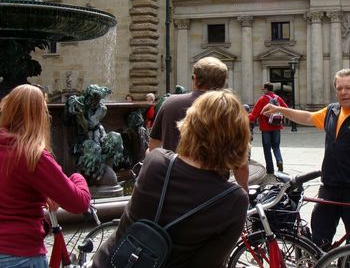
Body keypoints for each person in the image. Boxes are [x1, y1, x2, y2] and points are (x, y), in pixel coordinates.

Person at [93, 90, 250, 268]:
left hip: (109, 262)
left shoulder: (155, 161)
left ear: (189, 125)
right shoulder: (234, 200)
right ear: (239, 139)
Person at [261, 68, 350, 249]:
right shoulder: (333, 111)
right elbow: (308, 116)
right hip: (329, 185)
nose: (343, 92)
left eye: (348, 88)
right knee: (319, 238)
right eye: (339, 88)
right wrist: (280, 109)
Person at [0, 84, 91, 267]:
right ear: (41, 115)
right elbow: (78, 202)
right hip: (19, 254)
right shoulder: (33, 155)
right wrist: (76, 177)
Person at [149, 56, 249, 190]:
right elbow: (240, 161)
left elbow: (154, 145)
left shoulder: (170, 103)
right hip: (214, 188)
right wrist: (244, 189)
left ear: (195, 79)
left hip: (173, 184)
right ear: (224, 82)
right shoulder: (232, 109)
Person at [248, 82, 288, 174]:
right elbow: (286, 109)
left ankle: (270, 169)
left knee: (267, 148)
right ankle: (279, 160)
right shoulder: (278, 98)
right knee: (276, 146)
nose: (263, 91)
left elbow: (255, 114)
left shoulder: (262, 99)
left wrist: (247, 119)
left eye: (263, 89)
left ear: (266, 89)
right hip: (277, 126)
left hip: (266, 127)